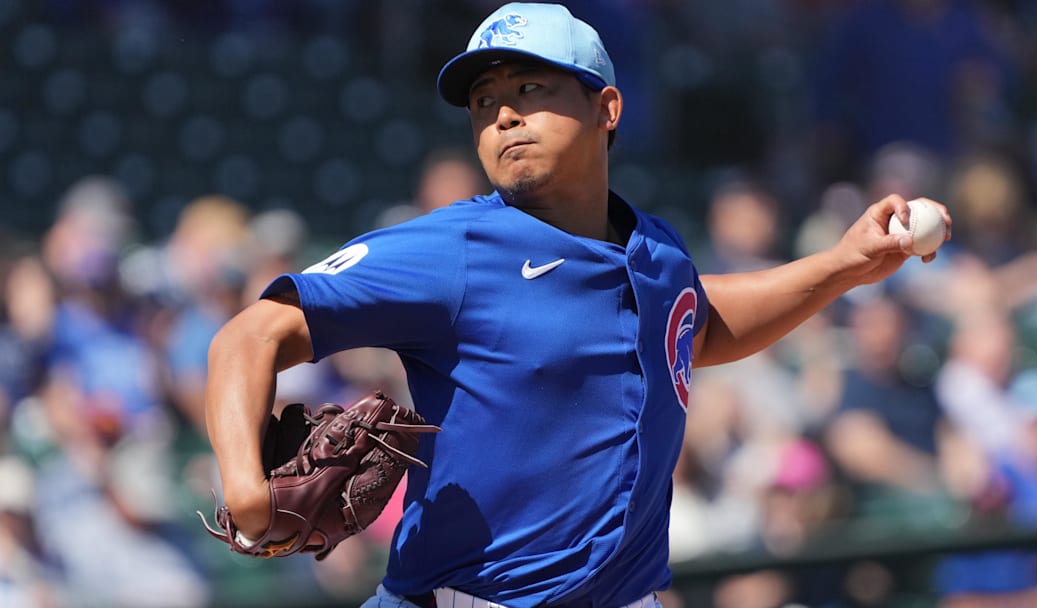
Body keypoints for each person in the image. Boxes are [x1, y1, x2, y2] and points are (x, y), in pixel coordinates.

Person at [203, 3, 950, 607]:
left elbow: (694, 324)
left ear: (607, 107)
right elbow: (252, 334)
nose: (502, 117)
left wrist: (843, 267)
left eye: (530, 90)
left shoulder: (652, 248)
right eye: (485, 102)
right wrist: (244, 485)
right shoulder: (455, 248)